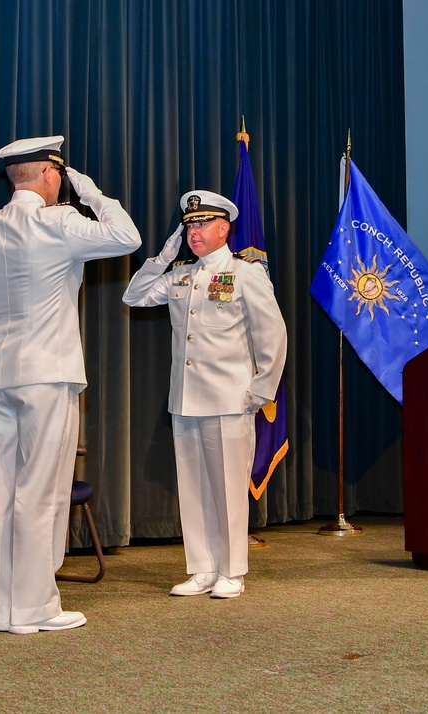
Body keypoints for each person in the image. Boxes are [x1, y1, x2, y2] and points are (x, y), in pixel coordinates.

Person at [0, 135, 141, 634]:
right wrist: (93, 192)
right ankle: (36, 608)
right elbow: (128, 237)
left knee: (0, 492)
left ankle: (7, 612)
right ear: (51, 174)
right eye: (61, 174)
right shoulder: (60, 222)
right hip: (49, 375)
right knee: (41, 490)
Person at [122, 190, 286, 599]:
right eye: (189, 226)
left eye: (201, 225)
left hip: (231, 400)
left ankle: (232, 571)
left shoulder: (246, 273)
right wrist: (161, 258)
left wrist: (260, 390)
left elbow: (273, 335)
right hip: (186, 400)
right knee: (194, 488)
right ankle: (201, 568)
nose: (194, 233)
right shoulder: (180, 275)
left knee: (228, 488)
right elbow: (134, 296)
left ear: (223, 228)